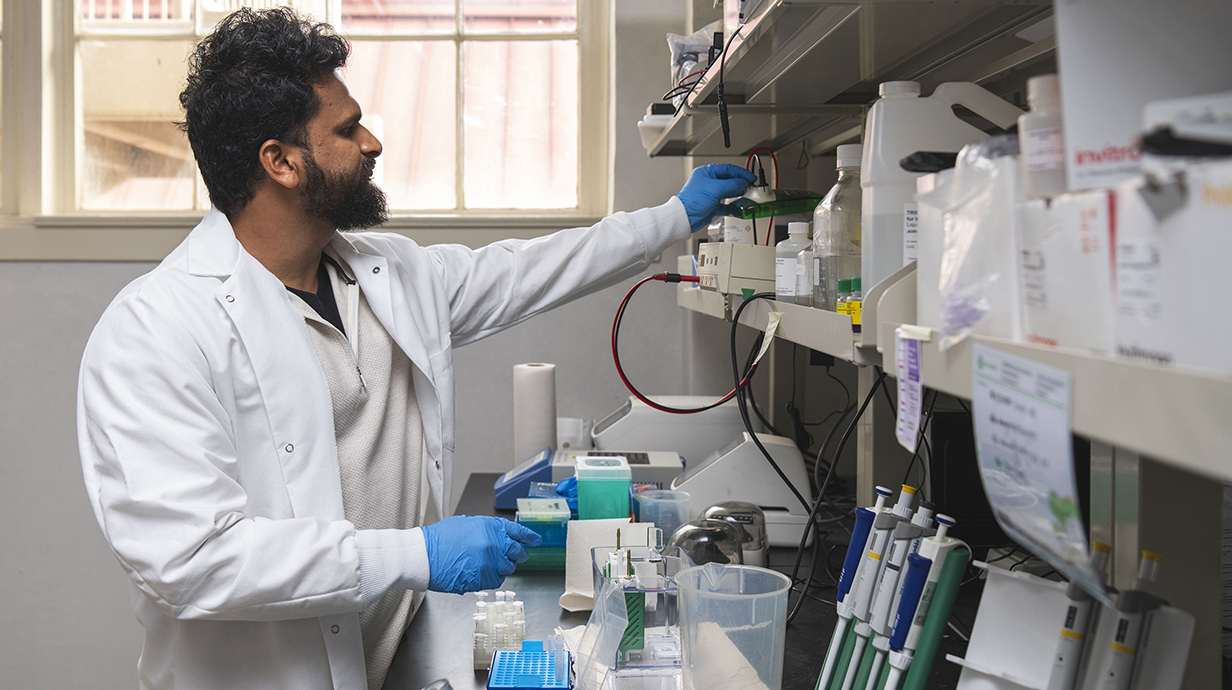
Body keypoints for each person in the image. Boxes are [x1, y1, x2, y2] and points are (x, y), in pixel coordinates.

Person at [76, 7, 754, 690]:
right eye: (345, 130)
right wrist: (417, 554)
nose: (370, 142)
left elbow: (526, 270)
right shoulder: (156, 331)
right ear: (279, 162)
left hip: (396, 658)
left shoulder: (388, 274)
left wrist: (674, 216)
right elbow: (195, 561)